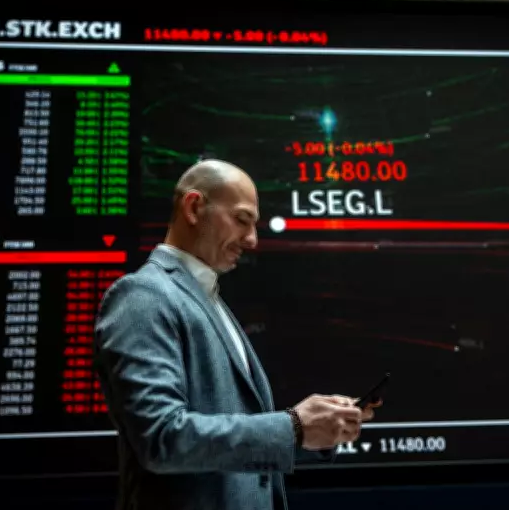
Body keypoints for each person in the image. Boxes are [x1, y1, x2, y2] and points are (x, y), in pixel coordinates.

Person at [94, 159, 380, 510]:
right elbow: (162, 439)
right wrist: (292, 427)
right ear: (194, 208)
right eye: (242, 220)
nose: (252, 239)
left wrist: (317, 429)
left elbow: (236, 453)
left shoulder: (207, 298)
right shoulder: (143, 296)